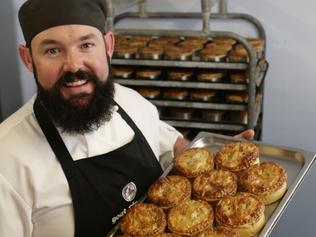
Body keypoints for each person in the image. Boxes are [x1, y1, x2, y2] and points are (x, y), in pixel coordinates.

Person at [0, 0, 254, 236]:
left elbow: (174, 147)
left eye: (86, 45)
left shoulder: (130, 101)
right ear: (28, 59)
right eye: (53, 50)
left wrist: (220, 163)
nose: (74, 65)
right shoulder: (7, 160)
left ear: (108, 46)